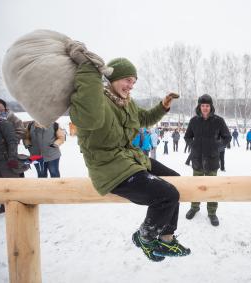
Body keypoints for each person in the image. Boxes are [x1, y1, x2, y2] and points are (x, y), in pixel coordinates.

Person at [66, 49, 190, 261]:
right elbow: (89, 113)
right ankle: (146, 238)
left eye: (134, 82)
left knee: (175, 181)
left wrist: (163, 106)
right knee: (166, 195)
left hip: (130, 158)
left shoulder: (127, 103)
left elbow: (144, 118)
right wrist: (89, 71)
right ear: (112, 78)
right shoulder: (96, 102)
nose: (131, 85)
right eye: (127, 80)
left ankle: (166, 239)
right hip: (108, 167)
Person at [184, 94, 231, 226]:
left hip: (212, 160)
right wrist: (193, 145)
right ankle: (194, 207)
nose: (205, 108)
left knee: (212, 187)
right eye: (202, 105)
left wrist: (217, 146)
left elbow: (227, 137)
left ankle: (212, 212)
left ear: (211, 107)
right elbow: (187, 136)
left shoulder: (218, 121)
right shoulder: (194, 121)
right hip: (197, 160)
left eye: (207, 105)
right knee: (196, 186)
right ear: (199, 106)